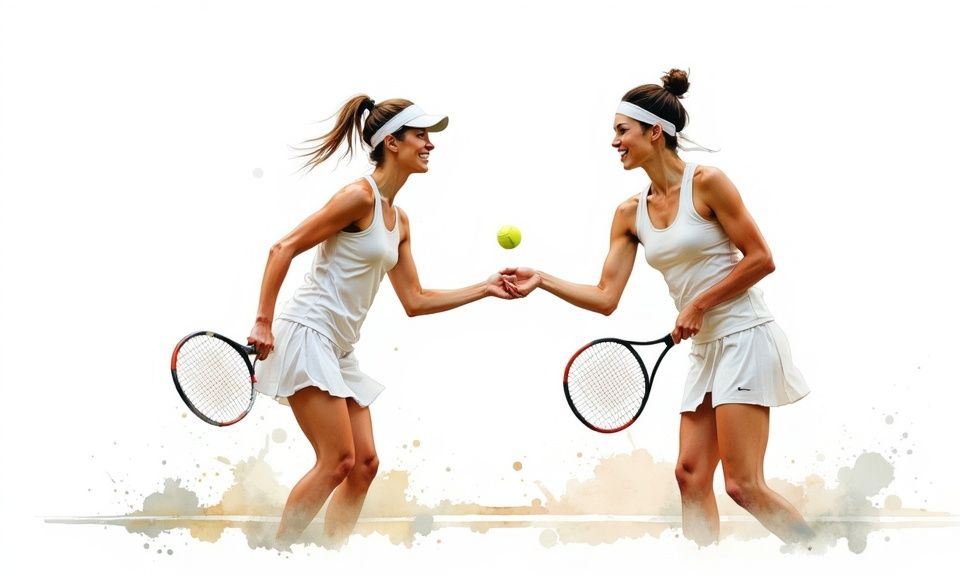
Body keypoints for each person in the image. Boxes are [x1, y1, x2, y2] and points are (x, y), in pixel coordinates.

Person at [503, 70, 813, 546]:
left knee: (742, 485)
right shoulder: (629, 213)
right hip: (706, 349)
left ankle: (823, 555)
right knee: (690, 476)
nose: (614, 142)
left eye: (622, 131)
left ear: (654, 132)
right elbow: (605, 297)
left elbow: (761, 259)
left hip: (746, 337)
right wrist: (542, 280)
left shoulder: (707, 183)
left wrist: (700, 304)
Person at [247, 95, 517, 547]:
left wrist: (485, 288)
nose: (430, 145)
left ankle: (331, 557)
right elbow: (283, 248)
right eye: (421, 136)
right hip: (307, 333)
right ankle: (279, 556)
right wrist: (263, 322)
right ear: (392, 142)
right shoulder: (357, 197)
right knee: (337, 461)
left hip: (338, 349)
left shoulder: (400, 221)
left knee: (364, 465)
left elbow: (416, 299)